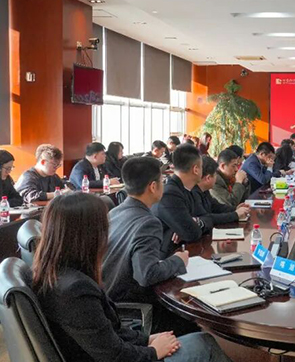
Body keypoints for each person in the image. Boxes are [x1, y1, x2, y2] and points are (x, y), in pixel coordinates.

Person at [32, 191, 233, 362]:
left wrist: (146, 339)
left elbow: (106, 334)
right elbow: (113, 355)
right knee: (204, 344)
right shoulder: (75, 291)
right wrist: (153, 351)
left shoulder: (57, 273)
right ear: (89, 234)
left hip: (123, 349)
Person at [102, 157, 188, 306]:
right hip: (129, 305)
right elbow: (147, 274)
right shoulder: (148, 223)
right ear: (153, 186)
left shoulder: (115, 212)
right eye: (162, 181)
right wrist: (178, 260)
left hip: (108, 296)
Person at [152, 144, 209, 247]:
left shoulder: (188, 188)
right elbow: (192, 233)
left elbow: (207, 216)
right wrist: (191, 225)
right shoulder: (170, 194)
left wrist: (196, 222)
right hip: (169, 253)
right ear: (196, 169)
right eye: (201, 167)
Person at [193, 156, 249, 226]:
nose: (216, 178)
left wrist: (235, 209)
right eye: (215, 175)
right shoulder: (193, 193)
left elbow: (216, 207)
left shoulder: (204, 190)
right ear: (208, 178)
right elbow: (206, 218)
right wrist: (235, 215)